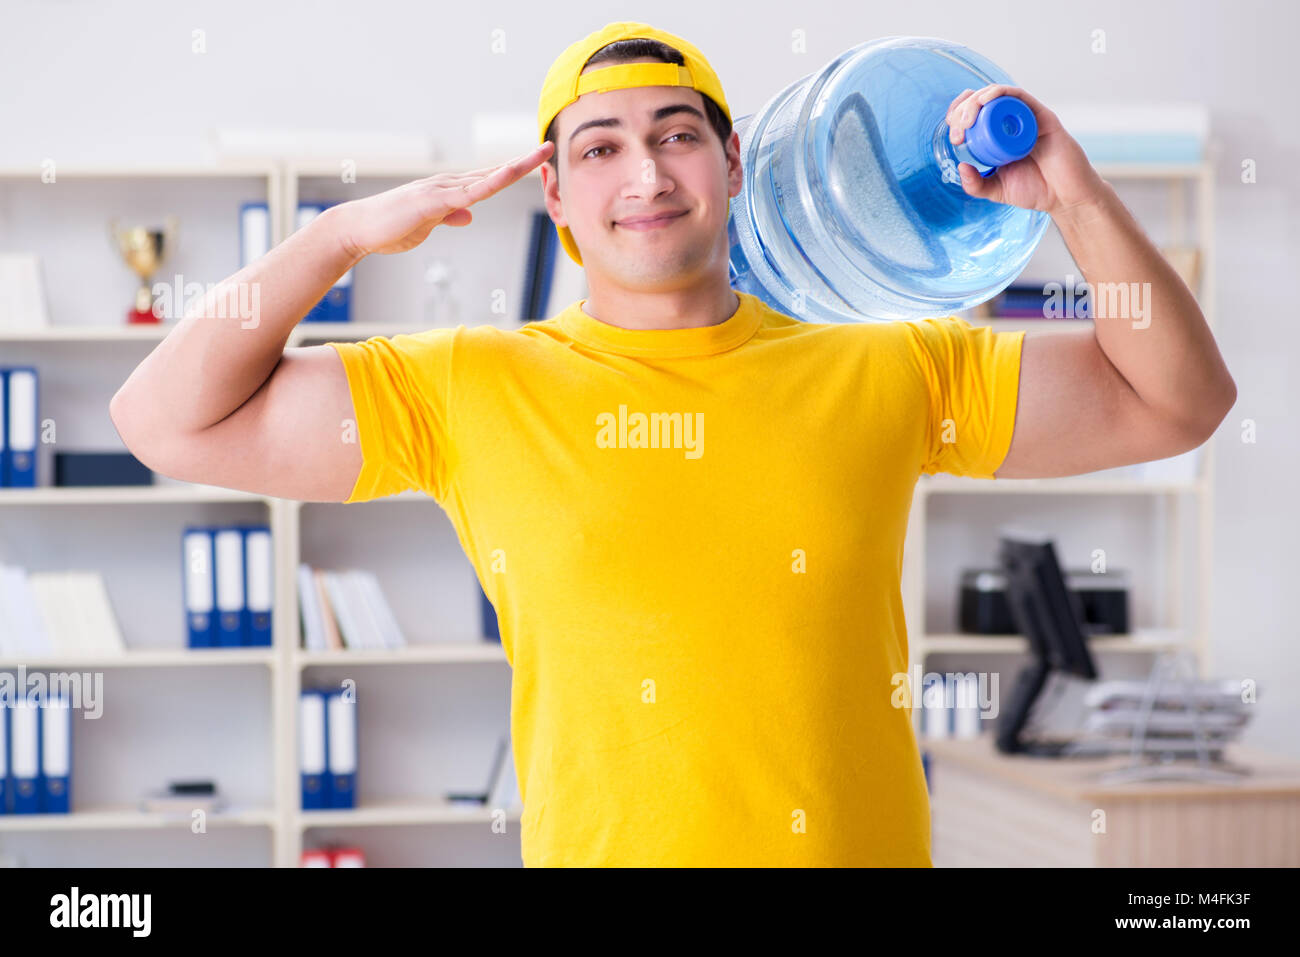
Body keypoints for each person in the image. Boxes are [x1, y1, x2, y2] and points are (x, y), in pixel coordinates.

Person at [110, 21, 1236, 866]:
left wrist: (1076, 195)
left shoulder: (890, 361)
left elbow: (1175, 402)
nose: (645, 176)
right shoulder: (463, 386)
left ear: (736, 163)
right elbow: (162, 421)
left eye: (676, 136)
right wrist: (338, 235)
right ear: (553, 191)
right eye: (598, 150)